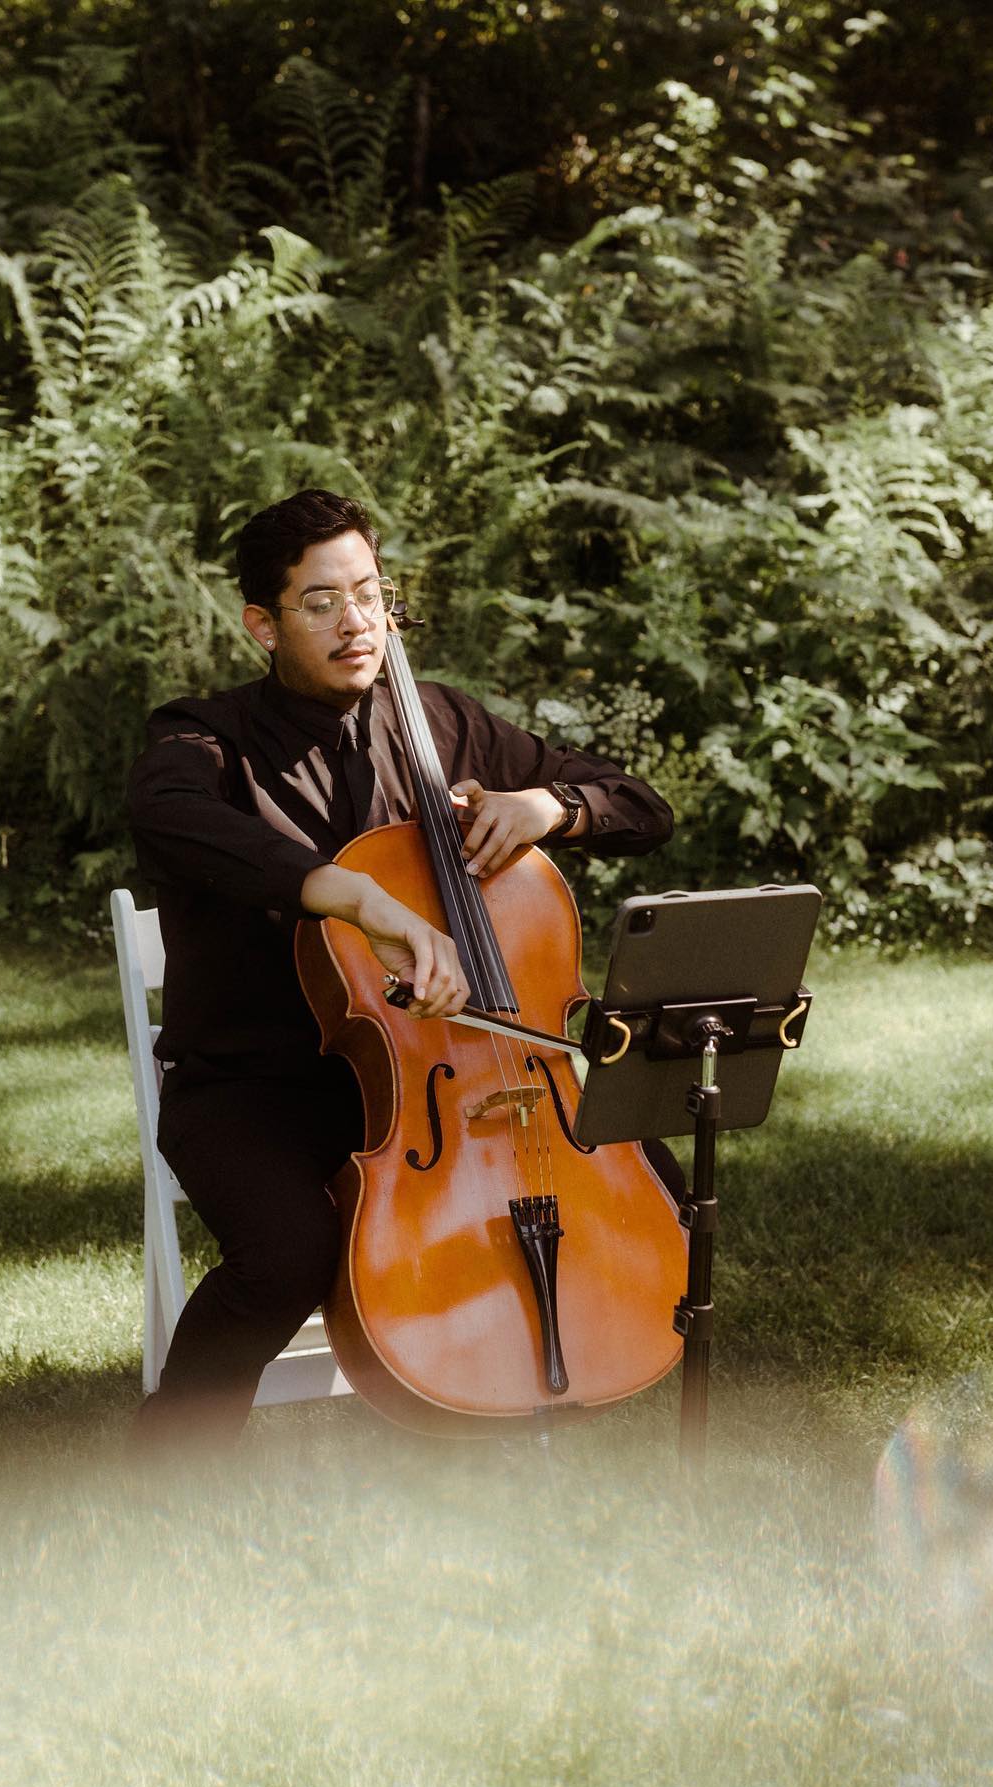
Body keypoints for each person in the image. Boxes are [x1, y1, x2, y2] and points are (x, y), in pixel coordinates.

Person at [126, 489, 679, 1453]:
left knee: (658, 1184)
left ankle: (540, 1395)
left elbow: (642, 803)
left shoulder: (441, 723)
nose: (356, 623)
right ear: (263, 622)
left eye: (369, 594)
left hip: (455, 1077)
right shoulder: (204, 738)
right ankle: (171, 1460)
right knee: (286, 1251)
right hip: (257, 1090)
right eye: (320, 602)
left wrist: (553, 807)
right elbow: (169, 821)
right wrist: (353, 897)